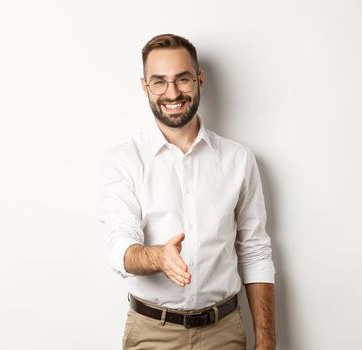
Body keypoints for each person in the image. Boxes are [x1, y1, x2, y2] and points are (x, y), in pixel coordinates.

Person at [97, 33, 276, 350]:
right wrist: (158, 257)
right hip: (153, 333)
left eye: (182, 79)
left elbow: (254, 249)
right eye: (160, 82)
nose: (173, 92)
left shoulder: (238, 159)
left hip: (225, 332)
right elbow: (120, 248)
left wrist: (265, 339)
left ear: (199, 80)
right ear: (145, 87)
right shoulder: (124, 160)